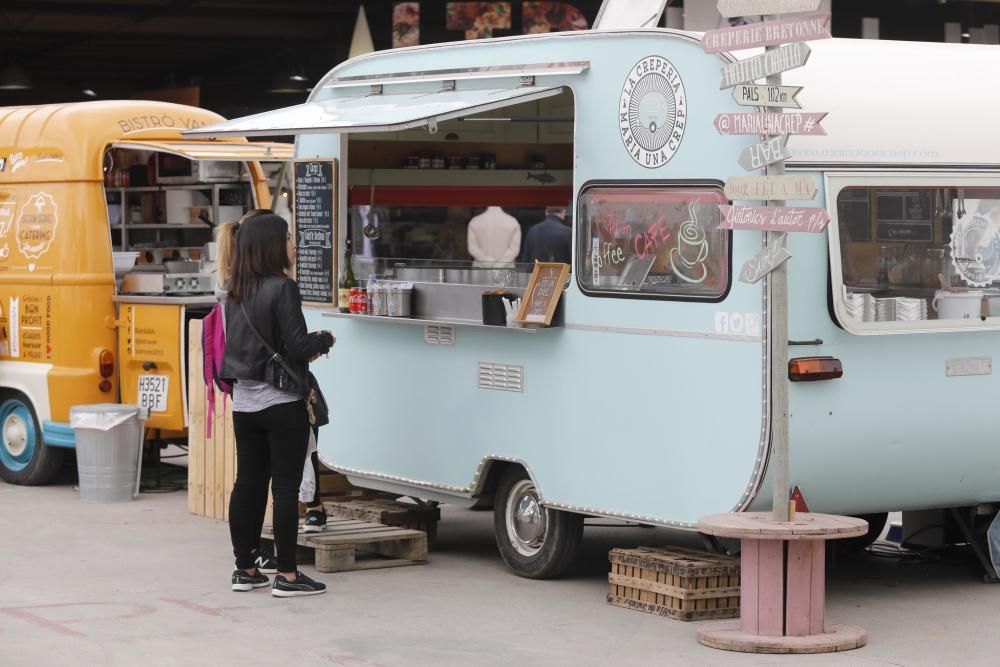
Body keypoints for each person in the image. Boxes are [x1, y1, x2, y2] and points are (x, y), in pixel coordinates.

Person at [217, 210, 334, 597]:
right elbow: (298, 346)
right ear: (271, 245)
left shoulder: (234, 287)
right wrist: (324, 340)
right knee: (285, 488)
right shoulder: (282, 288)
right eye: (287, 237)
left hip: (245, 405)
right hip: (282, 402)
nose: (293, 244)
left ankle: (245, 568)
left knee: (248, 483)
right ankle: (287, 575)